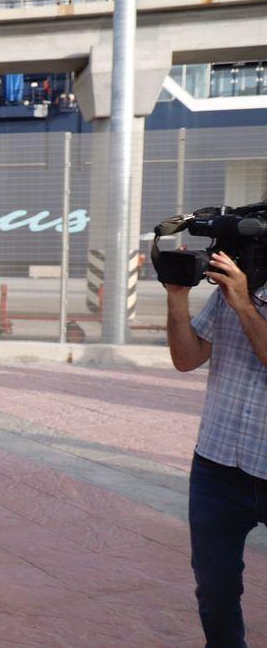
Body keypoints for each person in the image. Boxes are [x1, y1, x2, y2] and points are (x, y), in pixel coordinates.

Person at [166, 249, 267, 646]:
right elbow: (186, 358)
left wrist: (244, 303)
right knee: (215, 593)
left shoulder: (239, 292)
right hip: (217, 466)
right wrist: (177, 295)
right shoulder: (235, 284)